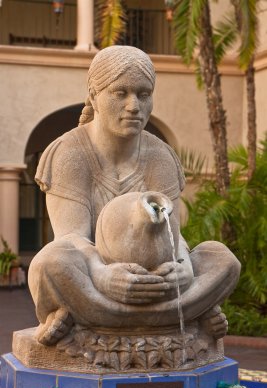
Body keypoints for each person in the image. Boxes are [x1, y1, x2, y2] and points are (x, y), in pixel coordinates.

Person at [28, 46, 240, 346]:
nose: (133, 106)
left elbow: (172, 235)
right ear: (93, 96)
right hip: (96, 276)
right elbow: (71, 238)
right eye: (121, 93)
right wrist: (102, 275)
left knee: (223, 259)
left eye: (143, 94)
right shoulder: (70, 153)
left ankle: (85, 317)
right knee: (48, 263)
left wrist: (183, 267)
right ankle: (186, 314)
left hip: (155, 277)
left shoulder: (160, 156)